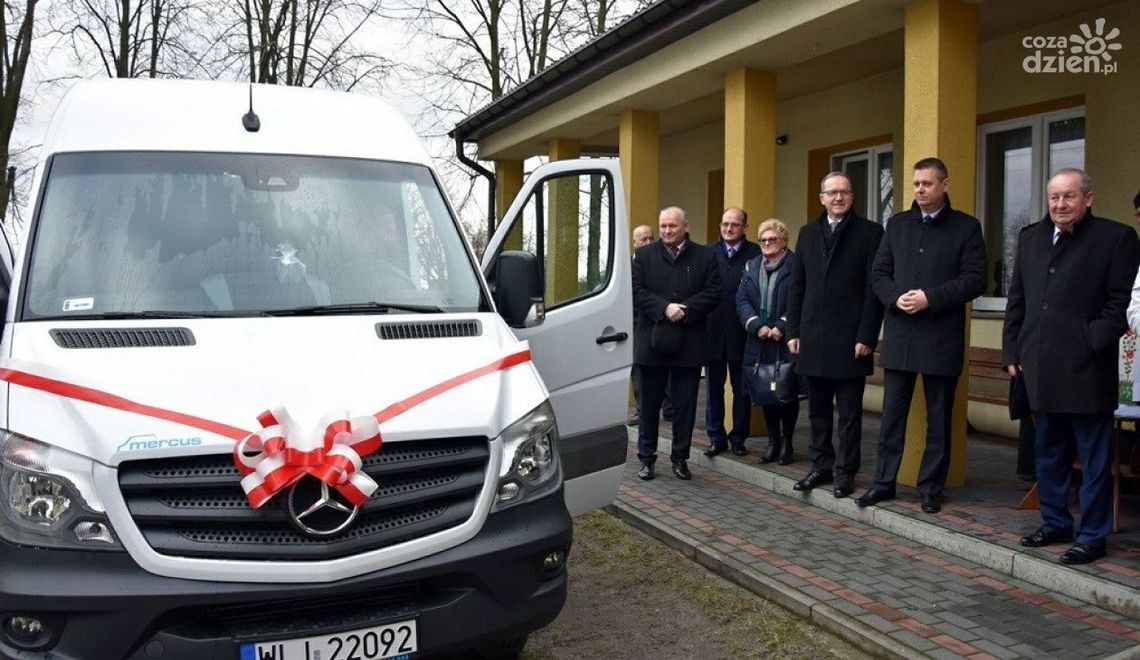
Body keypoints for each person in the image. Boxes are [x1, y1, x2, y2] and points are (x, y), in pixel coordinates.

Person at [1005, 169, 1139, 565]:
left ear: (1088, 198)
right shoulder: (1030, 238)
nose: (1060, 205)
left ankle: (1093, 535)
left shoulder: (1116, 239)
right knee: (1047, 455)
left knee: (1094, 460)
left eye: (1069, 197)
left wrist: (1086, 342)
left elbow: (1119, 309)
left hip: (1086, 370)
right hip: (1040, 370)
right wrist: (1012, 351)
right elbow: (1017, 301)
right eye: (1054, 198)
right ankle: (1056, 523)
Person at [855, 157, 986, 514]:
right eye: (915, 184)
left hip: (941, 338)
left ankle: (931, 488)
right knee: (892, 416)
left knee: (939, 420)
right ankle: (883, 484)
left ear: (944, 185)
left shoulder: (966, 227)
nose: (920, 190)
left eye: (927, 184)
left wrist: (932, 298)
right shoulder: (896, 226)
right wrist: (896, 297)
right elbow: (878, 273)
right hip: (900, 336)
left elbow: (976, 279)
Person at [786, 172, 884, 497]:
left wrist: (867, 336)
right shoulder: (808, 233)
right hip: (813, 337)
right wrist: (794, 330)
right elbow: (797, 286)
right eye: (832, 192)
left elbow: (874, 290)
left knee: (850, 414)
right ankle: (821, 466)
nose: (838, 197)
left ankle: (846, 472)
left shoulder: (870, 233)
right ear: (821, 198)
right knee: (817, 411)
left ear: (852, 196)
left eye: (844, 191)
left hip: (851, 340)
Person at [632, 206, 720, 480]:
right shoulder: (644, 256)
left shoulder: (705, 256)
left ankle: (680, 458)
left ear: (686, 226)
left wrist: (686, 309)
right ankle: (646, 459)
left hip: (689, 344)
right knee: (649, 406)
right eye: (664, 226)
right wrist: (664, 308)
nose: (667, 231)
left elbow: (714, 292)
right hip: (651, 344)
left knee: (684, 406)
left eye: (672, 226)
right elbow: (635, 291)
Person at [736, 219, 799, 465]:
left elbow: (799, 300)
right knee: (766, 392)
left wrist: (781, 326)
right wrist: (756, 325)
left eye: (772, 239)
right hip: (759, 341)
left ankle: (788, 443)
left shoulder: (795, 265)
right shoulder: (751, 266)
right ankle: (773, 442)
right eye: (763, 239)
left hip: (784, 341)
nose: (767, 243)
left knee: (787, 392)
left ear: (783, 242)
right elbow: (741, 300)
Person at [704, 207, 761, 457]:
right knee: (713, 388)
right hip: (712, 332)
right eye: (725, 224)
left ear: (745, 228)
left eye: (735, 225)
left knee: (742, 389)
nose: (729, 229)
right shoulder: (707, 253)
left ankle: (738, 437)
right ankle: (716, 437)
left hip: (742, 333)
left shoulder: (756, 254)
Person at [628, 225, 655, 427]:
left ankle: (669, 408)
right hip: (634, 323)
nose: (647, 243)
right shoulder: (625, 266)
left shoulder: (661, 263)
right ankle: (641, 410)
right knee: (638, 367)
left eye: (650, 238)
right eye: (643, 239)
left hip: (658, 321)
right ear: (634, 243)